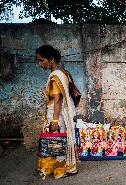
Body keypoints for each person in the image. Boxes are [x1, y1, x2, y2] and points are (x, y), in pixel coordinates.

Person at [36, 45, 78, 179]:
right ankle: (64, 166)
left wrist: (54, 121)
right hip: (63, 113)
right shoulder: (63, 72)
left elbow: (57, 100)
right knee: (60, 140)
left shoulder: (55, 77)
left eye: (42, 60)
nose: (40, 64)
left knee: (56, 140)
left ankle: (65, 168)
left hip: (57, 114)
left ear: (51, 59)